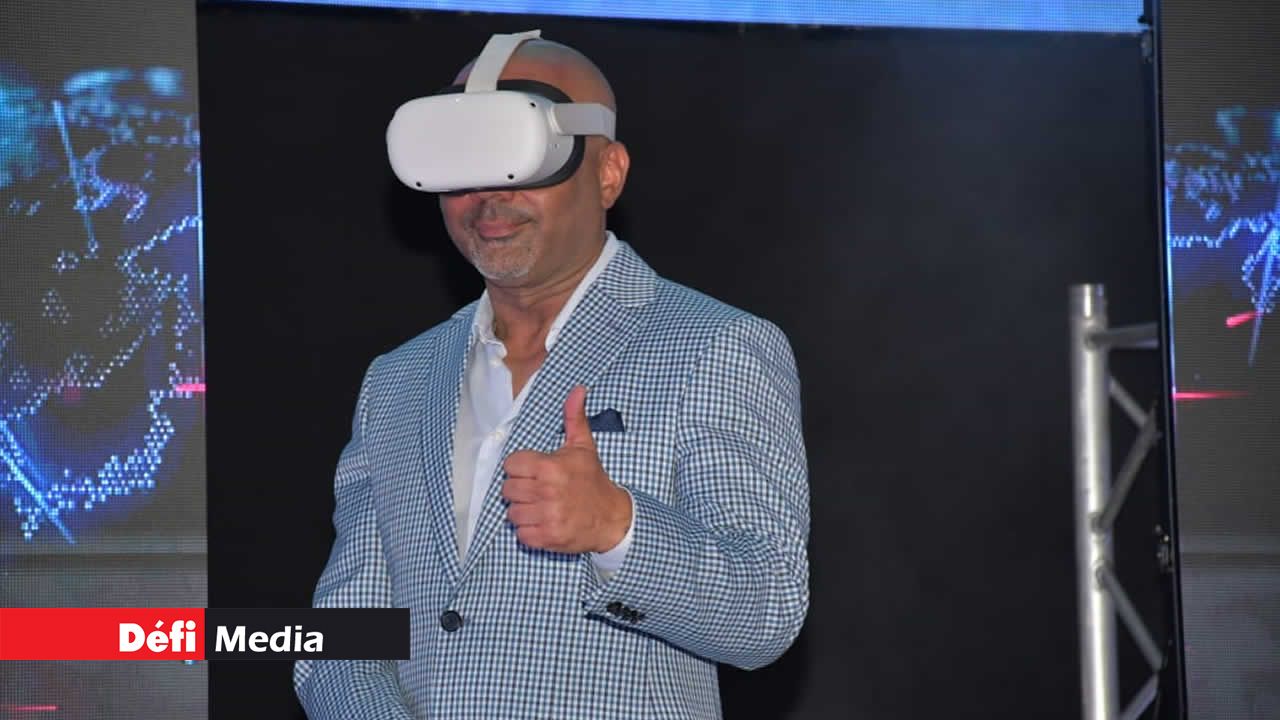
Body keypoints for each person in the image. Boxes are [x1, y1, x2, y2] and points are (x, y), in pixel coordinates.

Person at [294, 32, 810, 720]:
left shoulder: (715, 346)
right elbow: (341, 636)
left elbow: (768, 612)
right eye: (460, 162)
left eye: (519, 157)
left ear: (608, 173)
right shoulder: (397, 380)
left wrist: (619, 527)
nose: (487, 195)